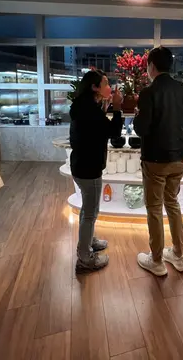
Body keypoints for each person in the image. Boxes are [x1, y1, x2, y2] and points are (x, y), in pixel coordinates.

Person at [134, 46, 183, 276]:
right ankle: (178, 255)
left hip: (156, 159)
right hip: (180, 156)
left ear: (151, 66)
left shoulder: (149, 92)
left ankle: (156, 260)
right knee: (173, 204)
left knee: (155, 209)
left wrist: (137, 115)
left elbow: (141, 129)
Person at [69, 70, 123, 273]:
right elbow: (114, 132)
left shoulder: (83, 105)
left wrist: (106, 106)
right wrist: (117, 107)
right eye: (106, 83)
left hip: (81, 165)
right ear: (94, 87)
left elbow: (95, 129)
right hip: (89, 168)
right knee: (90, 213)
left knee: (88, 210)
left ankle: (89, 240)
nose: (109, 87)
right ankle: (84, 257)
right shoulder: (90, 110)